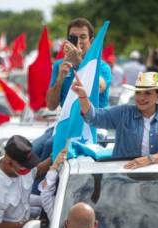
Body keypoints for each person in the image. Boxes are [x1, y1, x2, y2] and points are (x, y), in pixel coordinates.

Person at [33, 17, 112, 161]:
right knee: (31, 152)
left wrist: (79, 63)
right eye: (74, 38)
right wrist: (60, 79)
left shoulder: (101, 66)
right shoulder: (59, 65)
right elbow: (51, 105)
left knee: (50, 149)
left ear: (91, 41)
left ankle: (48, 182)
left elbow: (97, 87)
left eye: (83, 37)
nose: (79, 42)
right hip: (66, 124)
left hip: (92, 127)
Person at [72, 71, 158, 169]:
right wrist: (83, 97)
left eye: (148, 93)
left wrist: (148, 159)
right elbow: (94, 118)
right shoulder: (123, 113)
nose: (141, 97)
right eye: (138, 92)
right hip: (123, 175)